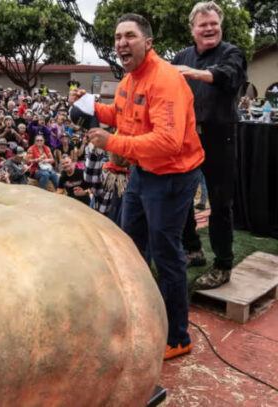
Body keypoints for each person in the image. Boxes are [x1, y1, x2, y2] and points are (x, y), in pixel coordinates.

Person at [74, 13, 205, 361]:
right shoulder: (129, 80)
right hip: (144, 173)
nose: (120, 43)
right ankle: (139, 314)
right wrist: (92, 109)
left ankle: (178, 336)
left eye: (129, 36)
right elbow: (122, 115)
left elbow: (168, 142)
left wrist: (111, 143)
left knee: (166, 253)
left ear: (148, 42)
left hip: (173, 177)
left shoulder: (166, 80)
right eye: (117, 37)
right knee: (129, 245)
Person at [173, 1, 247, 288]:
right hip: (189, 137)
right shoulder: (182, 56)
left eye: (214, 23)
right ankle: (193, 249)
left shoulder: (231, 53)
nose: (209, 28)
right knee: (181, 196)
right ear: (193, 30)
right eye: (203, 24)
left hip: (221, 137)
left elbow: (229, 77)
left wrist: (194, 73)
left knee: (220, 203)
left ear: (220, 26)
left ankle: (223, 265)